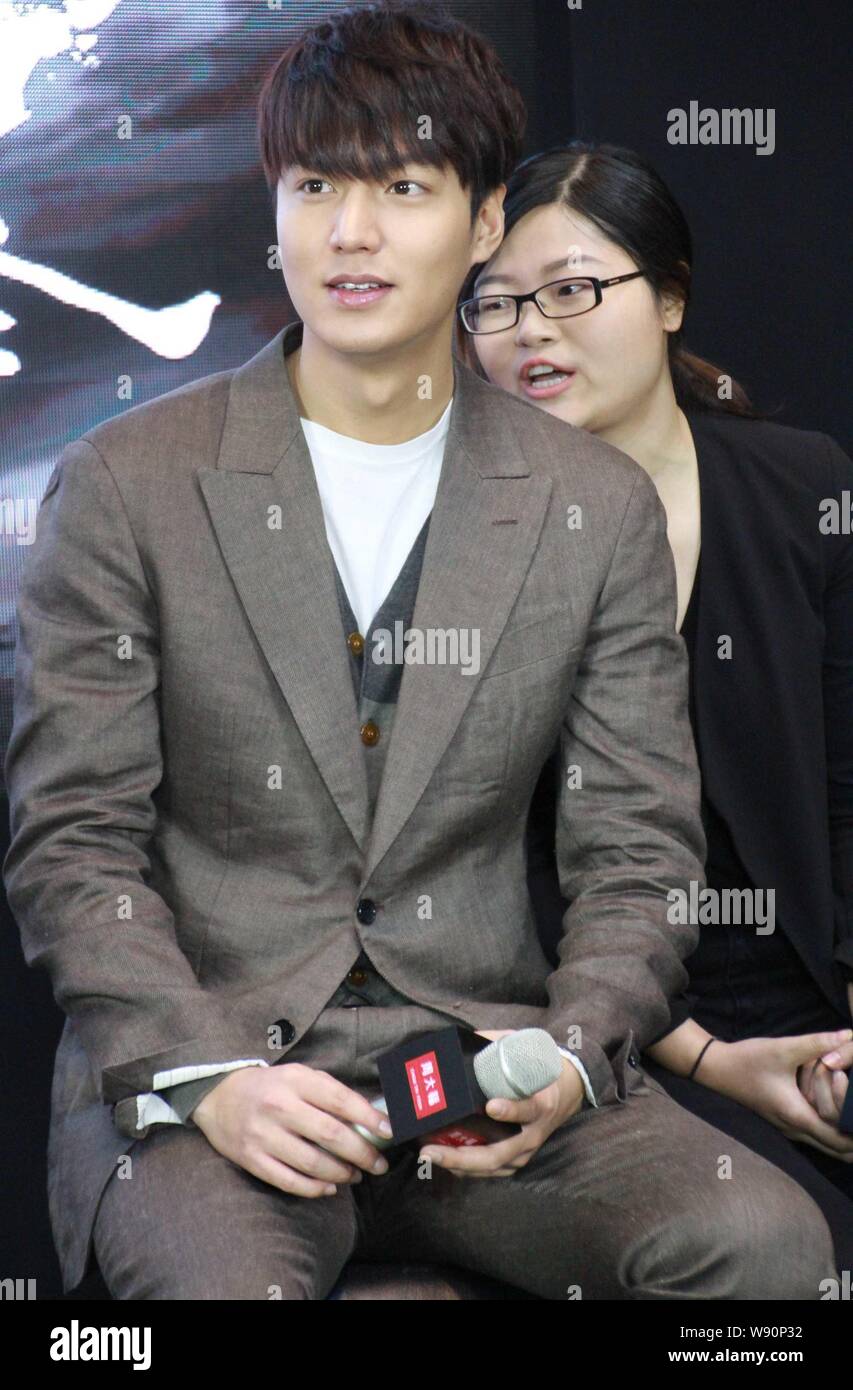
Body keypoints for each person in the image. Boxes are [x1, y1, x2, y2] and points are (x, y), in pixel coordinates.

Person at [3, 4, 840, 1301]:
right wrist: (205, 1077)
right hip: (214, 1088)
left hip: (488, 1073)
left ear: (484, 222)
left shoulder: (585, 503)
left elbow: (636, 841)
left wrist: (572, 1048)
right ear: (272, 213)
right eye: (315, 186)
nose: (350, 231)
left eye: (402, 186)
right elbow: (73, 838)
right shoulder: (127, 481)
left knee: (768, 1245)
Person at [456, 139, 853, 1269]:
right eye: (495, 304)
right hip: (609, 1021)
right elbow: (502, 870)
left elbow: (845, 785)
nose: (533, 328)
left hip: (807, 982)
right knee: (801, 1246)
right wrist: (709, 1059)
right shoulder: (461, 550)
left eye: (574, 290)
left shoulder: (802, 486)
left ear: (668, 295)